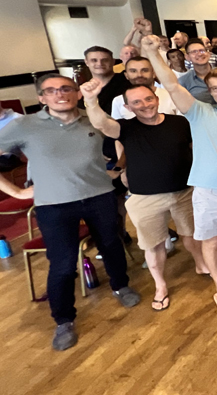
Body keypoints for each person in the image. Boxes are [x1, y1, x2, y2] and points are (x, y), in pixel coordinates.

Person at [0, 74, 140, 351]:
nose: (59, 94)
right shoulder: (24, 126)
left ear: (77, 92)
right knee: (62, 264)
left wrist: (116, 166)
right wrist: (15, 192)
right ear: (41, 97)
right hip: (54, 205)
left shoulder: (92, 119)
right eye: (51, 91)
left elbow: (118, 135)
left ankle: (120, 286)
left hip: (99, 196)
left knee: (111, 245)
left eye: (66, 88)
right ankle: (63, 319)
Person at [140, 36, 217, 313]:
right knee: (211, 241)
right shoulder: (198, 111)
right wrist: (152, 53)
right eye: (214, 88)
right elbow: (171, 85)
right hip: (207, 191)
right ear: (208, 91)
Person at [81, 81, 207, 312]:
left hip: (185, 192)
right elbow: (100, 122)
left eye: (148, 99)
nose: (145, 105)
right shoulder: (125, 128)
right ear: (128, 107)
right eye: (136, 102)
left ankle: (201, 264)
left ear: (157, 99)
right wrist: (90, 99)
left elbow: (194, 150)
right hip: (145, 198)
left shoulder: (180, 122)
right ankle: (160, 287)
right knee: (154, 245)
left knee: (191, 236)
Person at [109, 56, 178, 119]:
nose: (139, 75)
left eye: (145, 70)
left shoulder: (172, 96)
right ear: (126, 75)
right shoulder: (118, 101)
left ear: (153, 73)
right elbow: (116, 130)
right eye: (133, 71)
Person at [83, 46, 131, 113]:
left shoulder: (127, 79)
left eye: (105, 60)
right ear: (86, 62)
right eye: (94, 60)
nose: (99, 63)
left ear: (113, 61)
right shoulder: (85, 89)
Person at [176, 39, 215, 104]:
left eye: (202, 51)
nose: (199, 54)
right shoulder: (183, 81)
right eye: (194, 52)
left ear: (208, 54)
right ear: (187, 57)